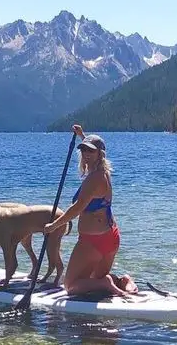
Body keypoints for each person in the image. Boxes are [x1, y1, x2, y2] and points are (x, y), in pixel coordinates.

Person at [44, 125, 137, 295]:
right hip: (110, 236)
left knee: (71, 286)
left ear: (100, 154)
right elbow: (95, 149)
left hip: (92, 241)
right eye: (84, 150)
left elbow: (78, 208)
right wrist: (82, 136)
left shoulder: (94, 178)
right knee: (90, 280)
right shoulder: (102, 171)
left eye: (90, 151)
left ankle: (106, 283)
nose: (86, 154)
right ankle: (122, 280)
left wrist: (54, 226)